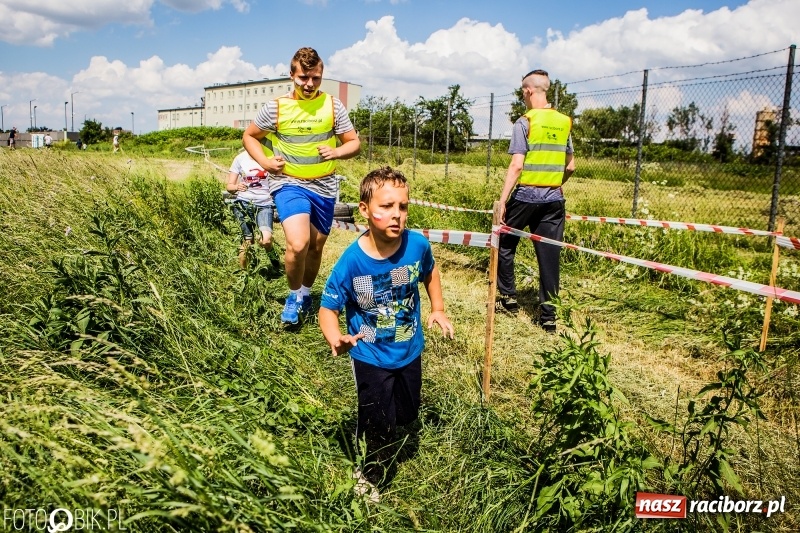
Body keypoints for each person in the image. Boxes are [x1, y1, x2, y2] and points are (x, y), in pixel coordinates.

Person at [319, 167, 454, 502]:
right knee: (380, 422)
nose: (396, 215)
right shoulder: (351, 263)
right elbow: (327, 307)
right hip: (370, 353)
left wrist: (437, 308)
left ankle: (381, 424)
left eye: (403, 206)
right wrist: (335, 336)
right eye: (387, 206)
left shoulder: (417, 246)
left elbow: (430, 272)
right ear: (364, 209)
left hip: (409, 349)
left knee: (406, 415)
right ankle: (368, 474)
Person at [243, 47, 360, 325]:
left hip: (324, 186)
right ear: (291, 75)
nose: (309, 85)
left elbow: (353, 143)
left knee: (315, 248)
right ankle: (293, 297)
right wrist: (266, 162)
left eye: (316, 78)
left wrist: (337, 153)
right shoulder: (277, 107)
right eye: (303, 78)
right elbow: (249, 136)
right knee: (298, 244)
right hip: (288, 183)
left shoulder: (333, 106)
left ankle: (306, 293)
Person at [496, 69, 575, 333]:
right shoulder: (565, 122)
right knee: (549, 255)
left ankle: (508, 299)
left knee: (505, 242)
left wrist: (502, 200)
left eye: (522, 92)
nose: (522, 97)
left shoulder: (525, 122)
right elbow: (571, 166)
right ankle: (549, 317)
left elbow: (517, 165)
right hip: (554, 199)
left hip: (526, 195)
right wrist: (552, 184)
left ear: (529, 91)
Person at [225, 150, 278, 269]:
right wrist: (236, 187)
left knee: (266, 240)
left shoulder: (271, 156)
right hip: (243, 204)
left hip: (265, 204)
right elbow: (229, 186)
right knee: (248, 241)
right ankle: (245, 273)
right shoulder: (240, 158)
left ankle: (275, 264)